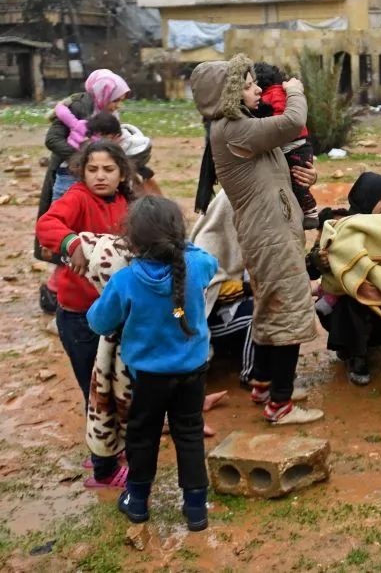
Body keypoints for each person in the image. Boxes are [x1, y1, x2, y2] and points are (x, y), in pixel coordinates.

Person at [190, 54, 322, 425]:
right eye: (247, 84)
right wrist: (295, 91)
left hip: (270, 230)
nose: (258, 89)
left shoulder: (239, 126)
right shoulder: (232, 129)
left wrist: (303, 181)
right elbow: (293, 121)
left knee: (271, 306)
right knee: (290, 310)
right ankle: (280, 405)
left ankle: (264, 383)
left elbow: (277, 170)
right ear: (229, 94)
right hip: (271, 235)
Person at [86, 196, 218, 532]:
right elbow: (211, 262)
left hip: (147, 376)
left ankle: (138, 502)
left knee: (142, 437)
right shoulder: (196, 265)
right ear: (177, 234)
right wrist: (180, 245)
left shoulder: (125, 281)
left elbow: (99, 323)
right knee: (189, 434)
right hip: (192, 370)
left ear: (132, 240)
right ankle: (195, 507)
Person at [35, 140, 134, 488]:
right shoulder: (77, 197)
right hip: (79, 314)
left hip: (117, 315)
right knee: (93, 390)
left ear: (122, 173)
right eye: (92, 169)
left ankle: (111, 448)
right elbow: (47, 224)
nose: (100, 176)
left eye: (108, 169)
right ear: (82, 171)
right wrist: (71, 243)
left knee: (115, 383)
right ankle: (102, 467)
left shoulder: (126, 202)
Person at [309, 172, 381, 385]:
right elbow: (311, 270)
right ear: (367, 197)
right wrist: (319, 260)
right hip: (346, 305)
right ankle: (358, 357)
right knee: (357, 296)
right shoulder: (339, 225)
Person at [36, 70, 132, 314]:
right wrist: (84, 159)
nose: (117, 104)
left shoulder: (124, 199)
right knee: (70, 233)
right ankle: (54, 293)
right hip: (68, 174)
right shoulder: (79, 109)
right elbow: (53, 139)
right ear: (103, 93)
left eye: (108, 169)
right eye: (115, 98)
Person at [190, 189, 256, 387]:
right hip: (206, 318)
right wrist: (249, 288)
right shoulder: (208, 243)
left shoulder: (252, 229)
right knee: (261, 313)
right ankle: (253, 375)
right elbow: (204, 292)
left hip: (229, 308)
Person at [254, 62, 318, 229]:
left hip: (294, 148)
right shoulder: (283, 93)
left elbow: (289, 121)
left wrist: (312, 177)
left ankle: (310, 211)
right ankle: (309, 210)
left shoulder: (268, 99)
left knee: (298, 180)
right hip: (266, 218)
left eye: (251, 85)